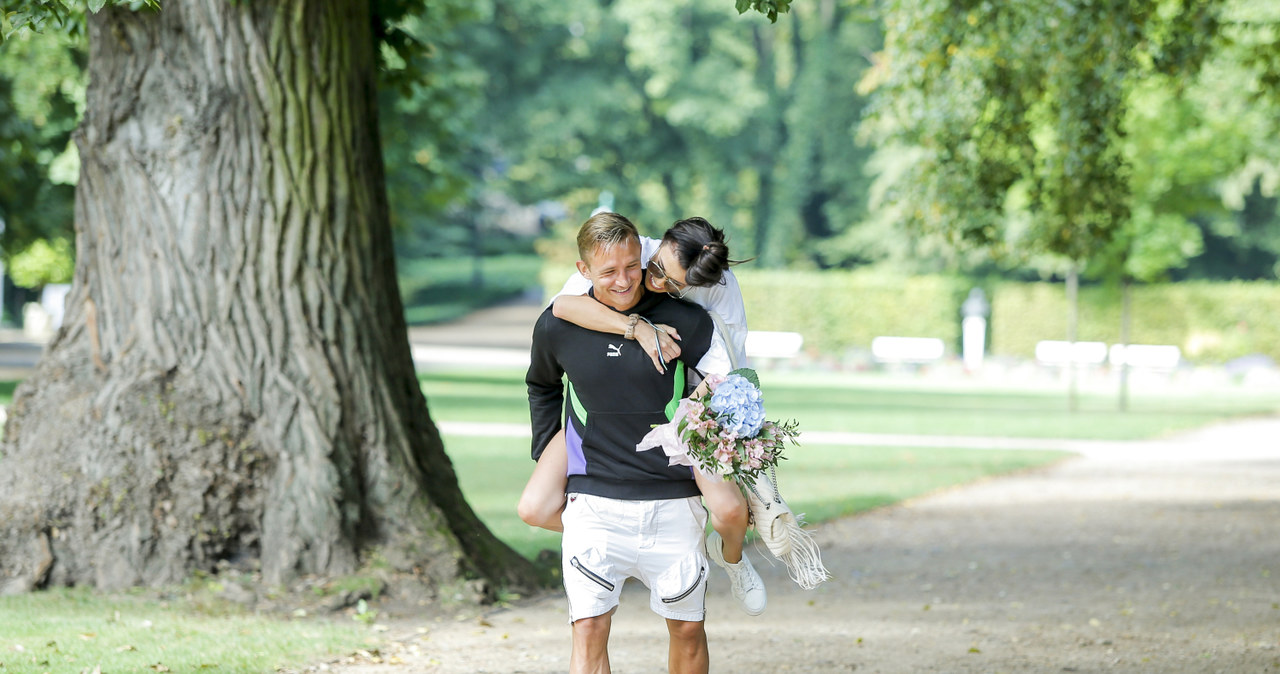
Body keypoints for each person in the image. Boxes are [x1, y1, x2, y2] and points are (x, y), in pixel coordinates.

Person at [517, 216, 766, 616]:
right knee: (533, 507)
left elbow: (732, 369)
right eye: (657, 271)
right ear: (659, 246)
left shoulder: (719, 293)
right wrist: (639, 328)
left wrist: (699, 415)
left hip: (688, 396)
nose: (655, 283)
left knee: (730, 510)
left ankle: (733, 561)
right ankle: (616, 543)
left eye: (674, 286)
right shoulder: (628, 255)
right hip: (605, 408)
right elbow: (562, 307)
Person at [526, 212, 718, 673]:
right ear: (583, 271)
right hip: (593, 500)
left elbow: (722, 390)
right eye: (608, 271)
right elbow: (542, 384)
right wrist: (553, 449)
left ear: (643, 257)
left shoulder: (688, 321)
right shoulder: (558, 324)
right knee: (588, 627)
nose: (624, 281)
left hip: (673, 498)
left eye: (632, 266)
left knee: (687, 628)